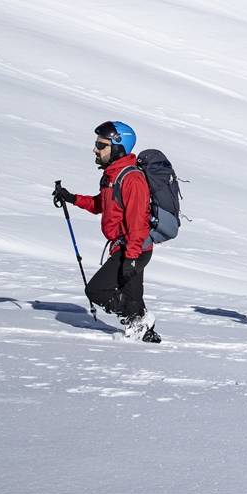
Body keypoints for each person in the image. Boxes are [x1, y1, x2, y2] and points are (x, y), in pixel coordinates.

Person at [52, 121, 158, 342]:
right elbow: (101, 204)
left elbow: (138, 223)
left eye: (101, 145)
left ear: (118, 146)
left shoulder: (132, 179)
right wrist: (72, 198)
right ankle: (145, 335)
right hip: (126, 248)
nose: (95, 149)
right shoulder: (112, 177)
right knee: (132, 298)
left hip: (134, 249)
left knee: (97, 291)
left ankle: (137, 320)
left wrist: (131, 259)